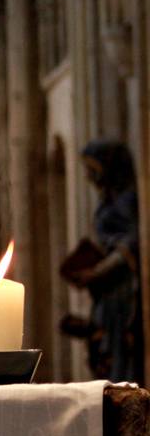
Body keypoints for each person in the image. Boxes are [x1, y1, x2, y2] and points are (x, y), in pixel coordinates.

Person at [59, 140, 143, 384]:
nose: (87, 176)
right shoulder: (109, 202)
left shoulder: (127, 202)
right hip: (108, 290)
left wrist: (96, 272)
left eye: (91, 169)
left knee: (119, 350)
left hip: (122, 288)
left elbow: (131, 245)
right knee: (105, 348)